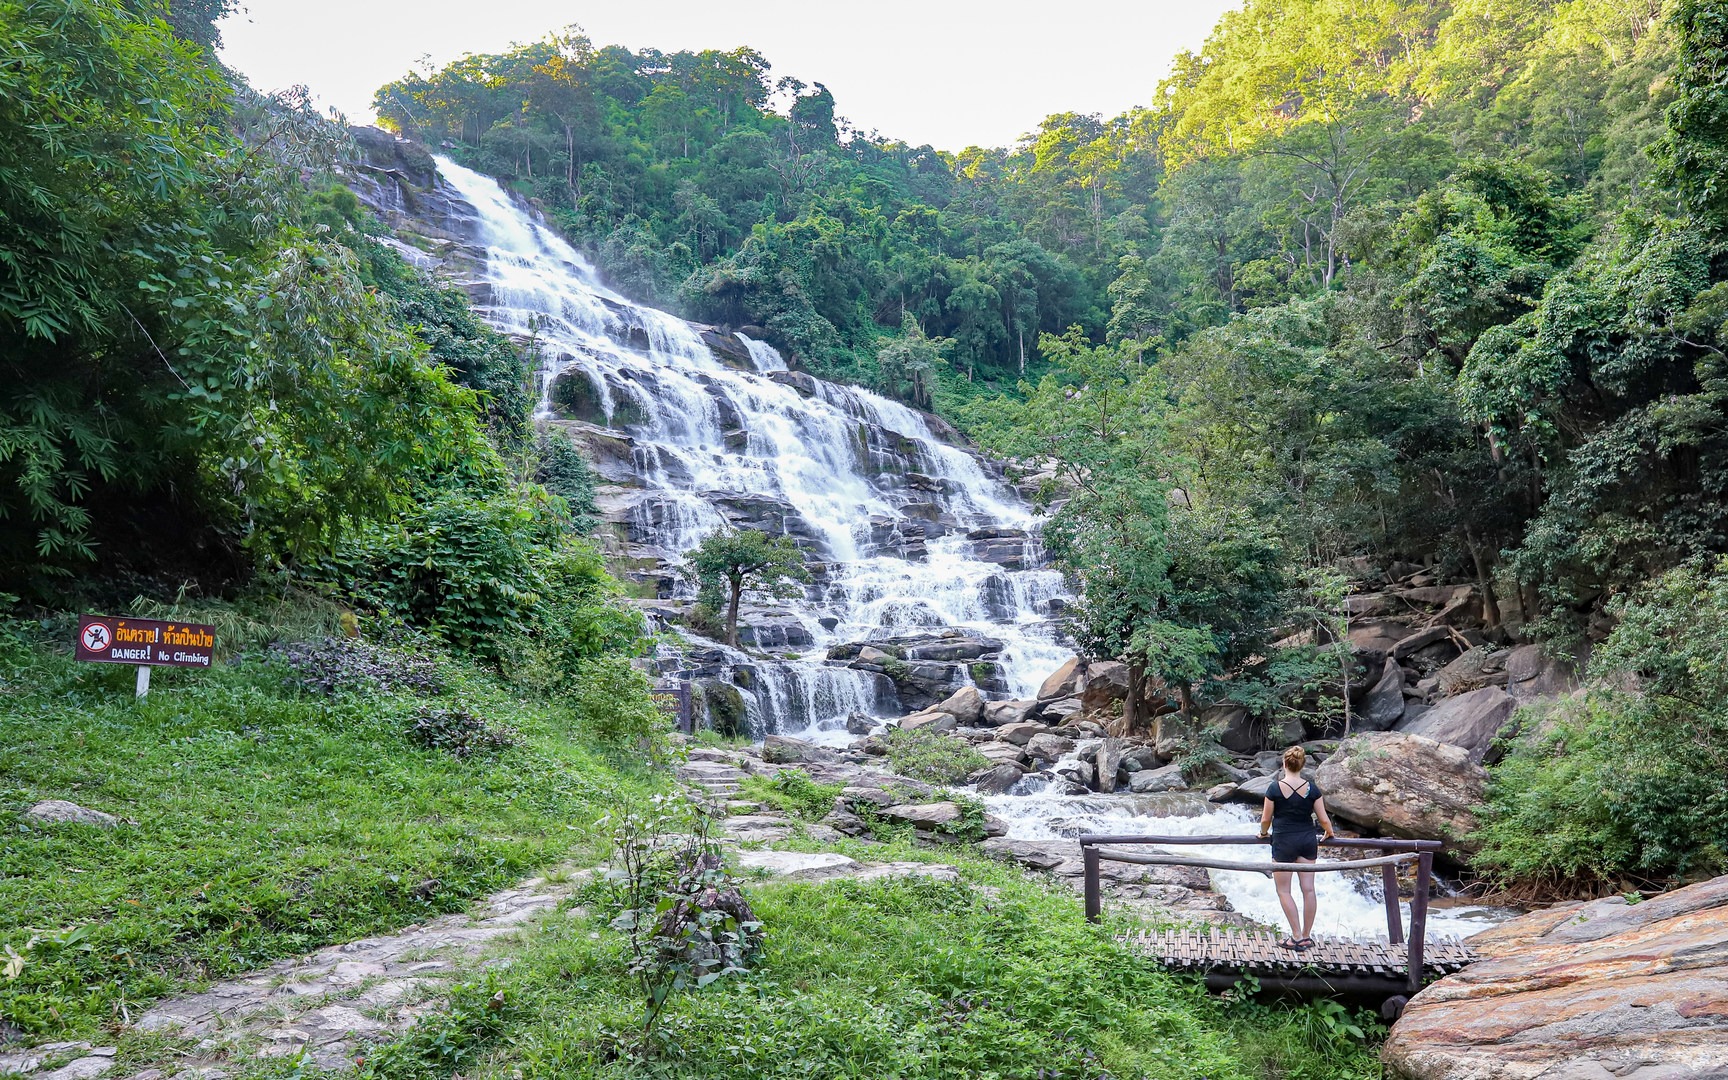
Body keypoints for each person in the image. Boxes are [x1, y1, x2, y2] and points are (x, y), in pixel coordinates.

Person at [1259, 745, 1335, 951]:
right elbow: (1324, 820)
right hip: (1307, 840)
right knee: (1309, 890)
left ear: (1284, 764)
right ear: (1303, 765)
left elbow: (1266, 819)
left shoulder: (1274, 789)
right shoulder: (1312, 789)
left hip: (1284, 841)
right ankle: (1307, 936)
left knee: (1284, 890)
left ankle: (1296, 936)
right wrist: (1329, 833)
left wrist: (1263, 833)